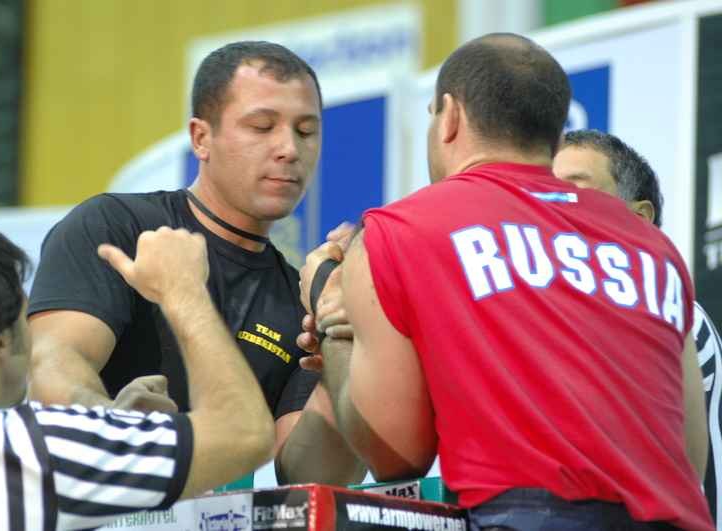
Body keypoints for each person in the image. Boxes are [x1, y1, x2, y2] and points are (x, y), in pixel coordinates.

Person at [299, 33, 713, 530]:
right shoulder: (654, 247)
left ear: (449, 117)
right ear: (557, 138)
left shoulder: (404, 230)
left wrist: (331, 304)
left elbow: (393, 453)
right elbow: (687, 456)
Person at [26, 40, 362, 485]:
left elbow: (312, 478)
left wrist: (346, 338)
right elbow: (52, 364)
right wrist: (119, 426)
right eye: (262, 126)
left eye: (306, 131)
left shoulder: (299, 296)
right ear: (201, 138)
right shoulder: (117, 226)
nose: (288, 148)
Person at [0, 225, 274, 530]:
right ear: (0, 341)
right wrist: (184, 290)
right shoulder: (27, 446)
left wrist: (106, 425)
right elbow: (243, 434)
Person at [553, 129, 722, 528]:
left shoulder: (678, 320)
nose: (554, 206)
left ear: (639, 219)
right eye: (546, 192)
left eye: (576, 189)